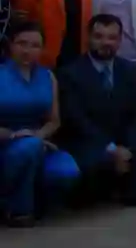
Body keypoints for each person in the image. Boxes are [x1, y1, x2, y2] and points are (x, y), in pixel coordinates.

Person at [57, 14, 136, 207]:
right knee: (91, 180)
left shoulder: (129, 71)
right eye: (99, 37)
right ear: (89, 38)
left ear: (120, 41)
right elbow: (76, 120)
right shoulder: (70, 73)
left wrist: (130, 148)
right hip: (88, 142)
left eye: (112, 38)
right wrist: (111, 149)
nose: (105, 42)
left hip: (123, 142)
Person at [0, 22, 80, 224]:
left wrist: (38, 138)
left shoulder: (48, 76)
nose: (28, 50)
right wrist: (13, 135)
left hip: (38, 141)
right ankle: (19, 210)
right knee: (27, 149)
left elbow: (54, 121)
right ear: (11, 45)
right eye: (22, 43)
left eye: (35, 45)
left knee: (68, 171)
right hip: (4, 141)